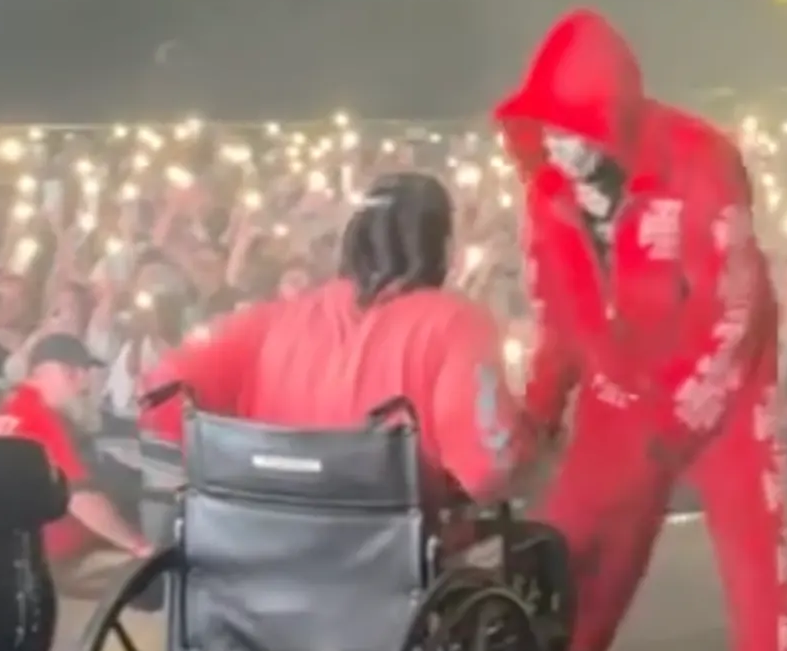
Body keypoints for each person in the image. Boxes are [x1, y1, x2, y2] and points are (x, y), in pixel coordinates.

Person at [496, 8, 787, 651]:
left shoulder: (703, 162)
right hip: (621, 386)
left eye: (573, 131)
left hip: (725, 392)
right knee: (567, 553)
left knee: (756, 581)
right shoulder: (547, 196)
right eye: (546, 131)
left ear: (612, 121)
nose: (558, 149)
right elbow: (560, 321)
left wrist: (675, 421)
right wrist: (536, 416)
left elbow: (734, 309)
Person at [139, 172, 522, 513]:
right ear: (444, 248)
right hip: (396, 557)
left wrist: (227, 474)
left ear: (353, 240)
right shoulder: (458, 323)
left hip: (262, 546)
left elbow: (160, 387)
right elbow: (489, 471)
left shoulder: (270, 321)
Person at [0, 334, 151, 565]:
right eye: (77, 374)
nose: (84, 384)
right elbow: (81, 499)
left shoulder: (10, 406)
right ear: (58, 372)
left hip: (6, 550)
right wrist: (138, 545)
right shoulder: (41, 420)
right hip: (48, 560)